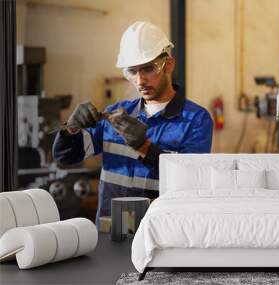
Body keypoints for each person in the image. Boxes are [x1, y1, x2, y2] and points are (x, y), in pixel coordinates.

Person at [53, 21, 213, 227]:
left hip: (159, 232)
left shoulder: (195, 120)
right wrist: (72, 128)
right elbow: (65, 157)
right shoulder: (115, 114)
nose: (140, 81)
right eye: (132, 72)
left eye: (148, 69)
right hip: (110, 230)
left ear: (169, 65)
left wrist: (144, 147)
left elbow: (191, 181)